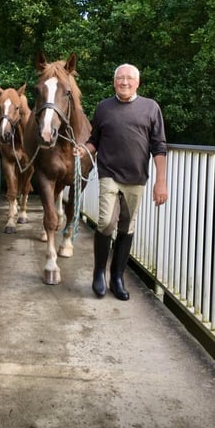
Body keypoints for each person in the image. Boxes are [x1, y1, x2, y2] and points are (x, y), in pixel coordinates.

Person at [75, 63, 168, 300]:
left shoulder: (150, 108)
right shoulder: (104, 107)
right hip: (109, 175)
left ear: (137, 82)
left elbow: (159, 147)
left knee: (127, 227)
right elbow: (95, 139)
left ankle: (117, 277)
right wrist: (84, 150)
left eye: (129, 79)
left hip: (136, 178)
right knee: (106, 222)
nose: (124, 82)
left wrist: (161, 182)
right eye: (119, 78)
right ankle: (98, 273)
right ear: (114, 81)